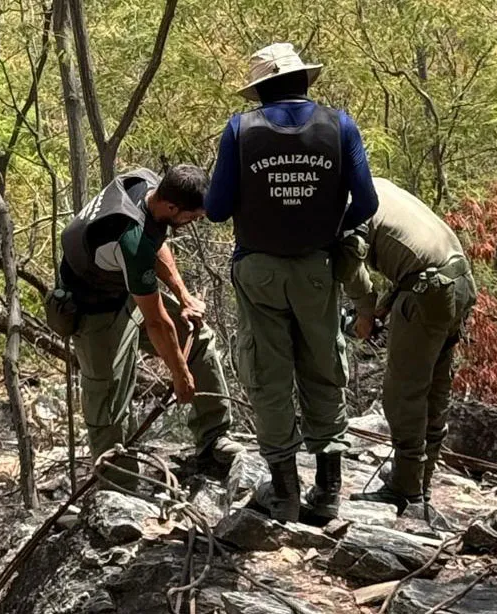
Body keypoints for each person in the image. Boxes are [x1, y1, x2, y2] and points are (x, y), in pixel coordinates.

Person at [205, 43, 378, 522]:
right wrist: (327, 227)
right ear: (304, 81)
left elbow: (217, 209)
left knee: (268, 374)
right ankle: (328, 491)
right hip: (317, 269)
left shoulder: (240, 130)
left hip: (258, 270)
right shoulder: (340, 126)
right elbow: (365, 202)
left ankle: (284, 493)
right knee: (323, 366)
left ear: (260, 89)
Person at [60, 166, 244, 489]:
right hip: (95, 313)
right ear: (173, 208)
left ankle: (213, 438)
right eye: (194, 216)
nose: (195, 221)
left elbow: (156, 242)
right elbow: (158, 323)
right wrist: (180, 374)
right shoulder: (129, 238)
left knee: (196, 336)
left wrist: (184, 296)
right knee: (108, 404)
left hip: (124, 288)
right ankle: (118, 491)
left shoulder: (149, 185)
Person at [337, 178, 476, 515]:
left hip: (428, 292)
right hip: (459, 283)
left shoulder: (348, 202)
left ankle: (406, 488)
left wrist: (367, 310)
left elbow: (348, 262)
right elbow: (413, 256)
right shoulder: (379, 186)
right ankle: (420, 481)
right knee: (434, 389)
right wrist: (386, 304)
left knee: (403, 394)